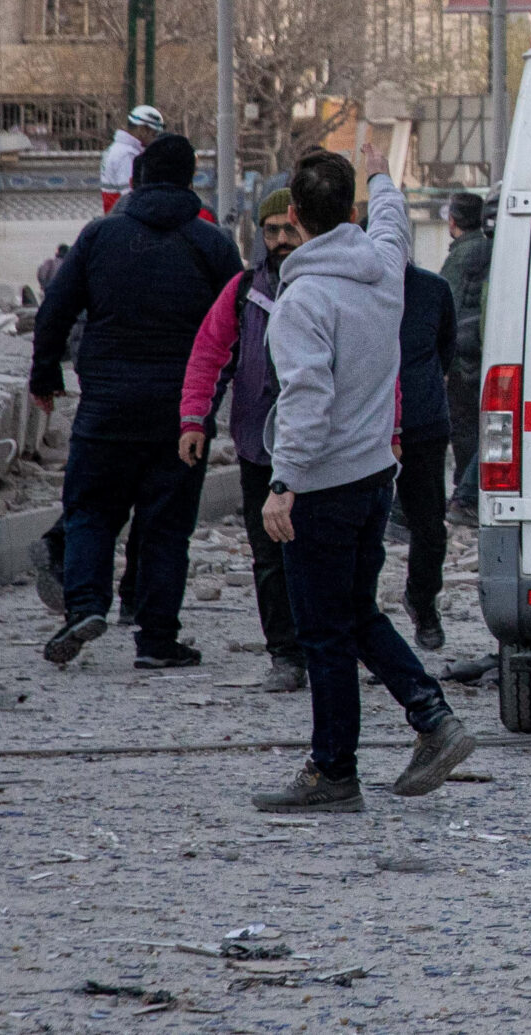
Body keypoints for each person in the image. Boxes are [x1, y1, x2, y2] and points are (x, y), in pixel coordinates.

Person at [252, 143, 475, 812]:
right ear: (347, 207)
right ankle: (431, 714)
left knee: (323, 630)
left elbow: (307, 397)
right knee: (354, 612)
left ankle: (333, 770)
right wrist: (381, 172)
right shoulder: (383, 267)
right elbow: (393, 217)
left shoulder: (303, 299)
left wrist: (283, 479)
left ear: (293, 216)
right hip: (377, 473)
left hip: (321, 485)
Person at [31, 133, 240, 668]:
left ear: (137, 178)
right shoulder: (213, 245)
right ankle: (156, 640)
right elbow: (241, 325)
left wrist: (45, 374)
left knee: (91, 510)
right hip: (182, 415)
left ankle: (84, 605)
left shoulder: (100, 237)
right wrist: (218, 391)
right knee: (168, 528)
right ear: (191, 179)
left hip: (106, 407)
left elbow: (55, 309)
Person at [178, 189, 308, 692]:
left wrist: (392, 429)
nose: (279, 240)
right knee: (268, 555)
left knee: (325, 553)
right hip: (260, 447)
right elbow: (209, 353)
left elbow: (379, 365)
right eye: (270, 230)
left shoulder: (335, 287)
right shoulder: (243, 289)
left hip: (323, 449)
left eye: (288, 229)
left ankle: (332, 647)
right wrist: (194, 419)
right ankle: (286, 654)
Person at [395, 258, 458, 651]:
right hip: (361, 428)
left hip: (422, 426)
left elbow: (444, 351)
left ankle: (422, 603)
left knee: (430, 528)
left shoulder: (433, 290)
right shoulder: (349, 282)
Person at [439, 191, 490, 522]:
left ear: (453, 220)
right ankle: (467, 492)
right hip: (479, 347)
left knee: (464, 424)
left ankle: (462, 493)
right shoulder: (488, 247)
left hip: (461, 352)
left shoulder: (461, 256)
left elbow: (447, 305)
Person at [98, 105, 164, 214]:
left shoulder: (116, 148)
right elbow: (131, 196)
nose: (155, 138)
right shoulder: (127, 155)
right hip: (123, 218)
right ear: (143, 130)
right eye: (154, 133)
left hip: (115, 215)